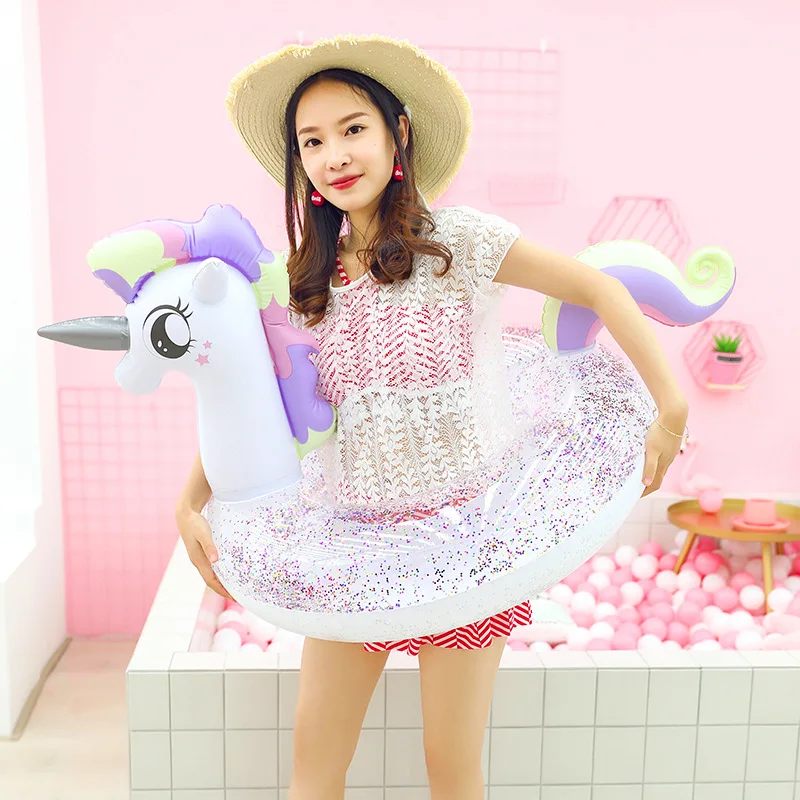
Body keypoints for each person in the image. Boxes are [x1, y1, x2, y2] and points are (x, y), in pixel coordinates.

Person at [175, 34, 689, 800]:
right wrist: (191, 500)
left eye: (353, 129)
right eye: (312, 142)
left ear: (398, 135)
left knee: (450, 768)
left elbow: (599, 289)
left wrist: (671, 409)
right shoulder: (301, 282)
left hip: (465, 543)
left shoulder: (460, 243)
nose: (334, 155)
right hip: (353, 549)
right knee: (314, 770)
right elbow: (257, 404)